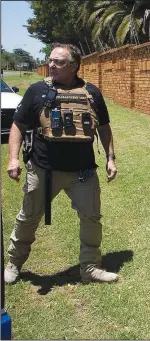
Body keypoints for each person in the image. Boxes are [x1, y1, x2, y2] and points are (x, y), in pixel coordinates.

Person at [4, 43, 119, 284]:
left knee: (91, 219)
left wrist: (110, 158)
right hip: (43, 169)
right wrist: (13, 158)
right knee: (28, 217)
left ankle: (89, 267)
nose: (52, 65)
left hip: (83, 171)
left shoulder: (92, 93)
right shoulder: (37, 91)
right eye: (51, 60)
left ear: (74, 65)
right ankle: (14, 263)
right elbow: (18, 125)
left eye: (59, 62)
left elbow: (104, 128)